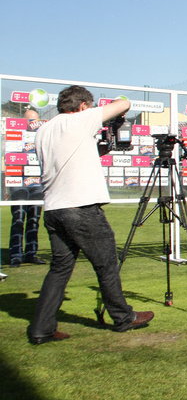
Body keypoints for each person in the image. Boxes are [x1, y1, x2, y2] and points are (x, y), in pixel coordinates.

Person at [28, 85, 154, 344]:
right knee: (106, 263)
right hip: (81, 207)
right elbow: (123, 103)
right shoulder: (80, 119)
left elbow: (68, 157)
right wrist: (116, 111)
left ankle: (42, 328)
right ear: (84, 105)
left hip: (54, 208)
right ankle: (123, 317)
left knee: (60, 268)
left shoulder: (44, 130)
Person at [9, 108, 46, 267]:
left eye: (35, 121)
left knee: (34, 219)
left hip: (37, 184)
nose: (32, 124)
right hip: (18, 184)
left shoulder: (42, 138)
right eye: (29, 121)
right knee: (18, 219)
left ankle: (31, 253)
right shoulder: (14, 139)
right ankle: (15, 254)